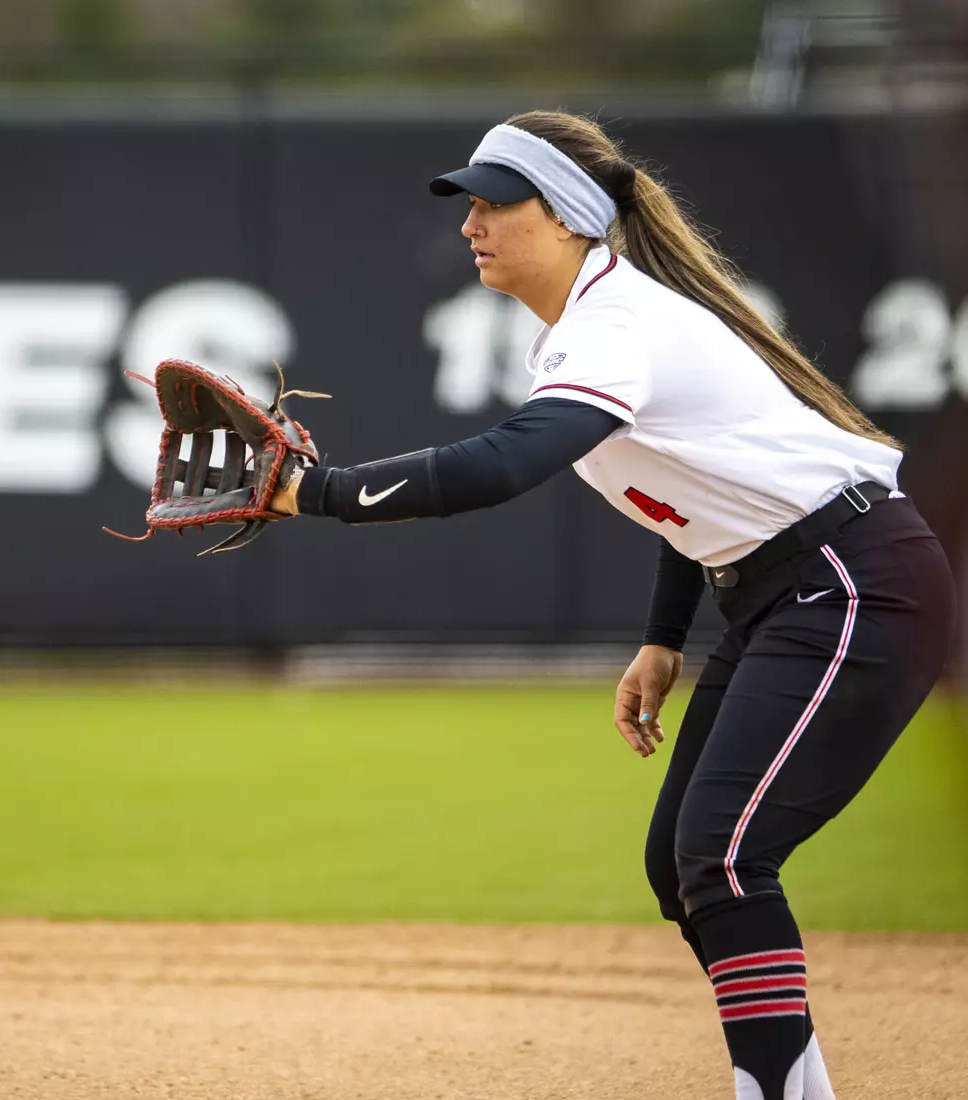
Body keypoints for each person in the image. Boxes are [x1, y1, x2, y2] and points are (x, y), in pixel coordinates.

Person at [270, 110, 956, 1100]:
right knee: (681, 866)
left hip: (854, 579)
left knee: (719, 857)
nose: (471, 223)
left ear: (570, 217)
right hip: (788, 584)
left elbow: (500, 465)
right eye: (468, 202)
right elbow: (689, 485)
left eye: (495, 202)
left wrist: (315, 490)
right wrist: (662, 636)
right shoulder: (596, 323)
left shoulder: (616, 325)